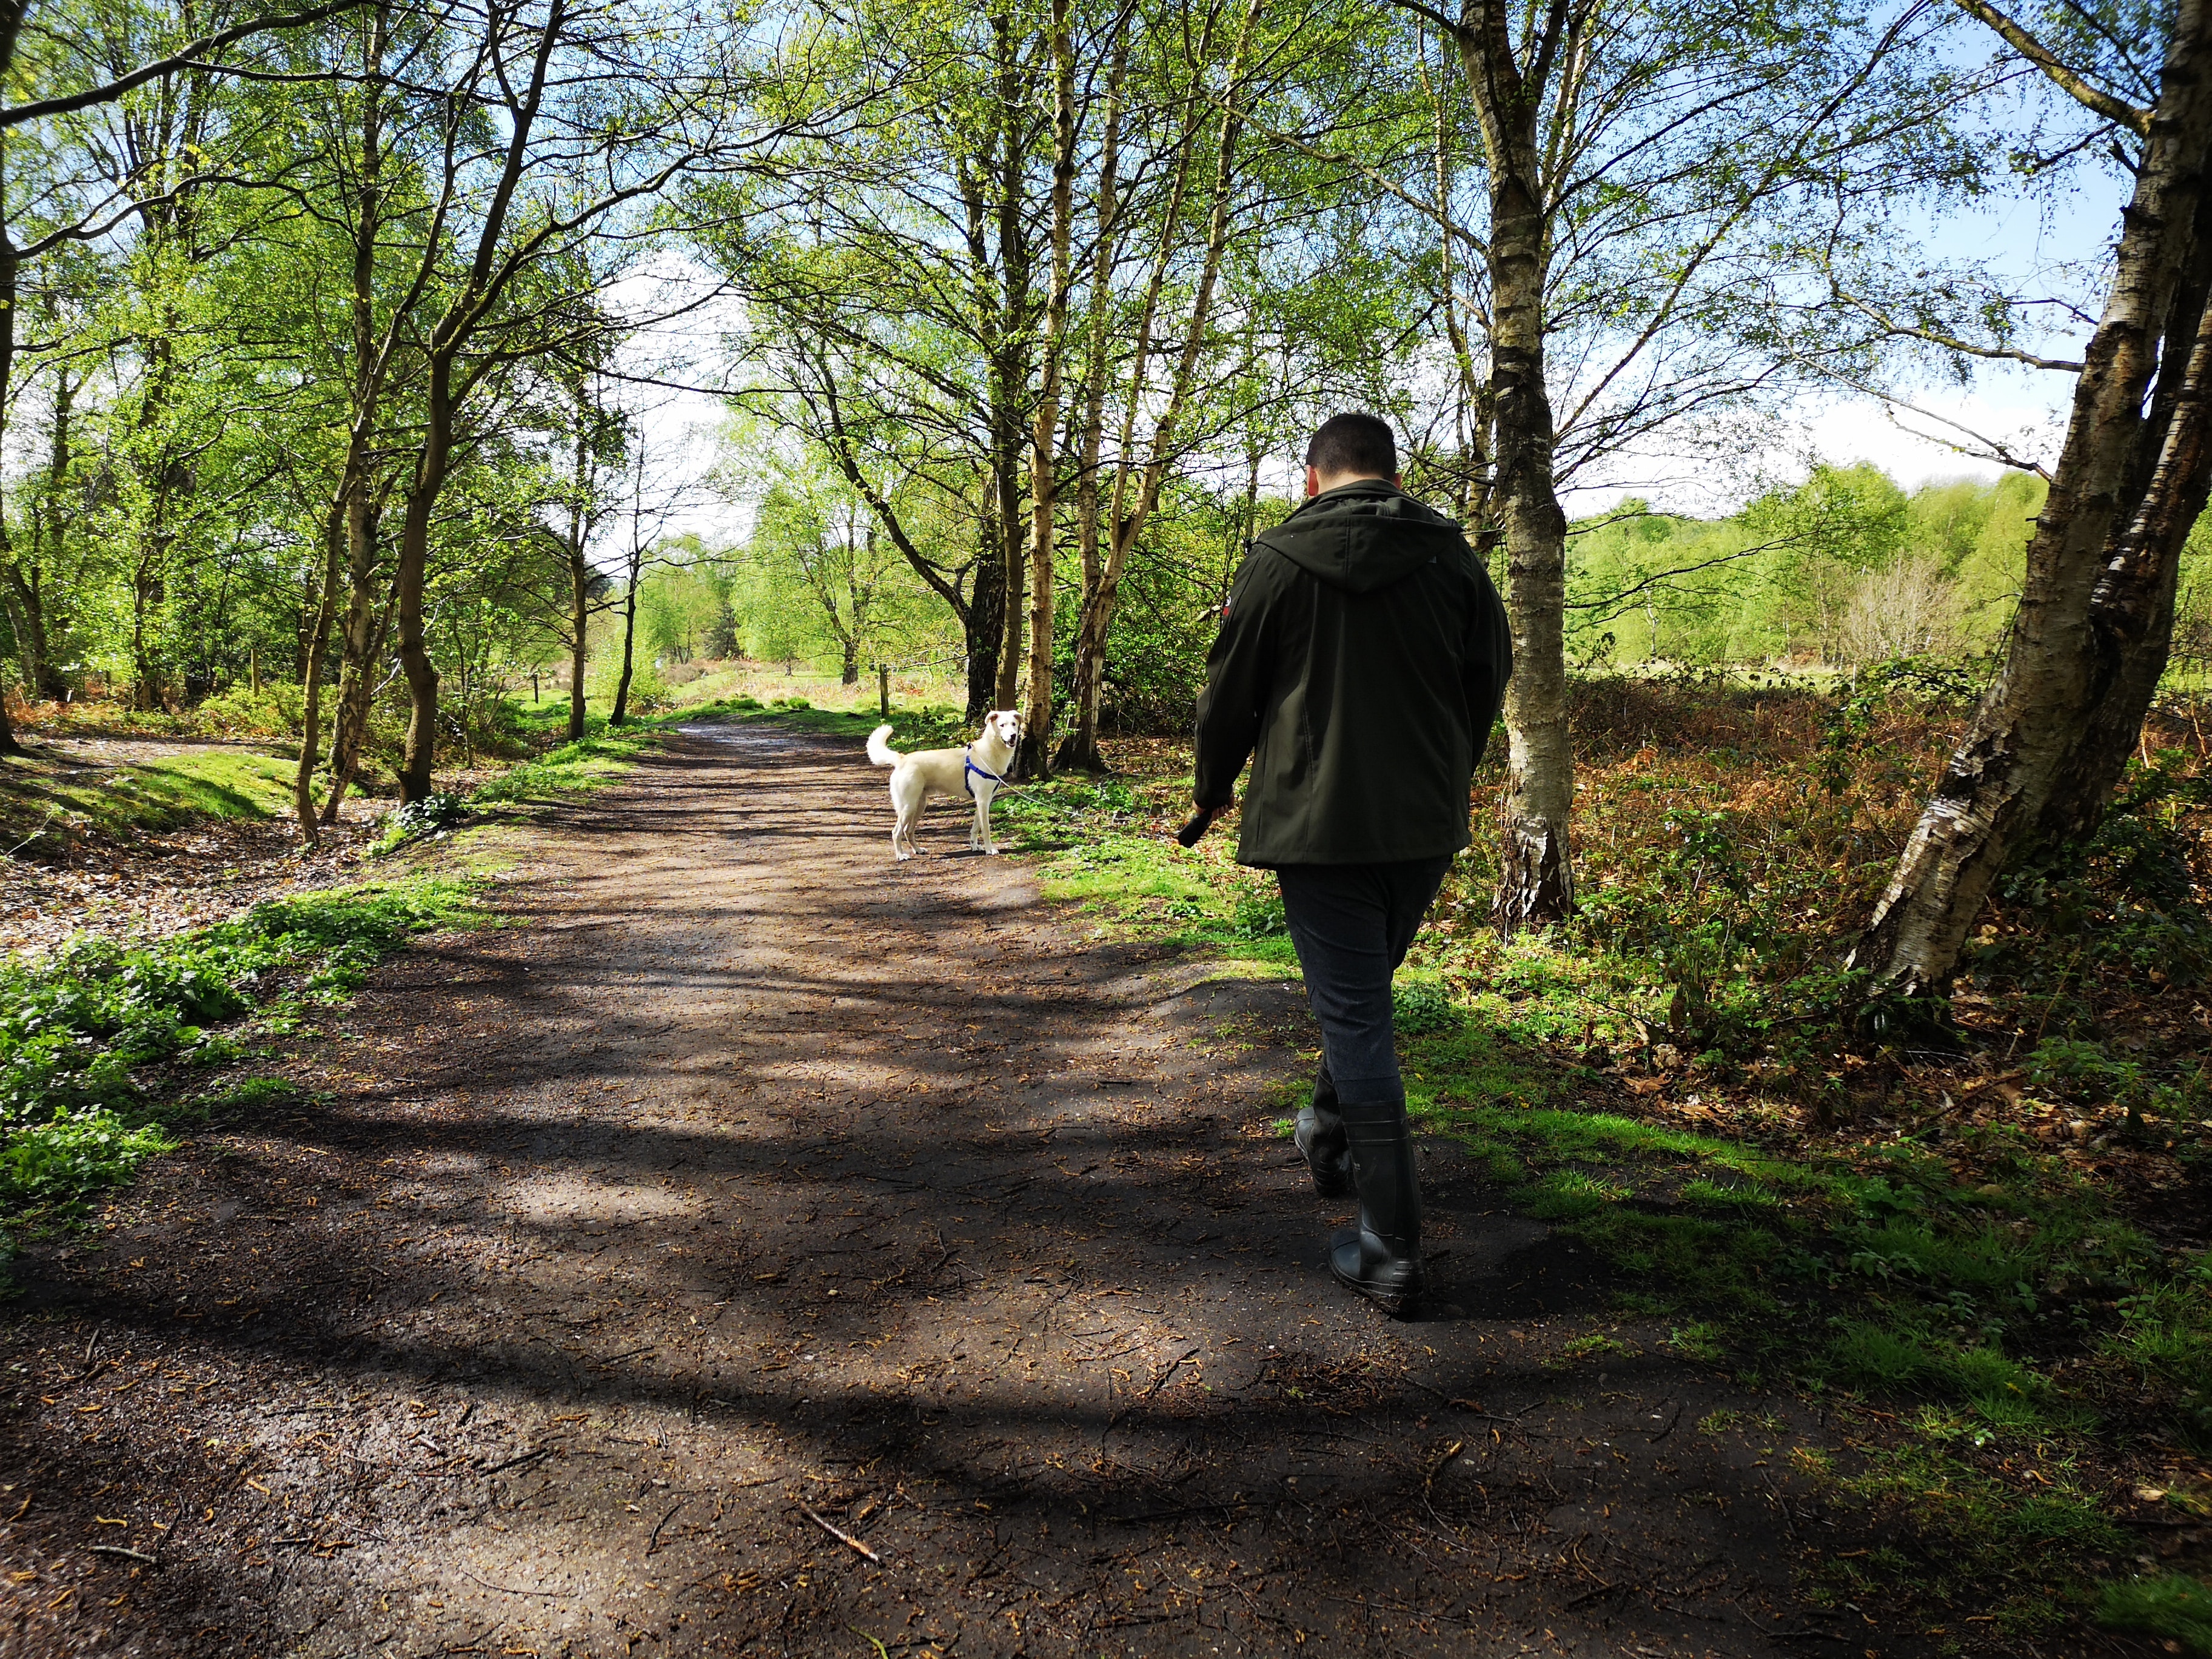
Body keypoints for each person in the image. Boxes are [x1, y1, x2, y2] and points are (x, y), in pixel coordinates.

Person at [1187, 413, 1511, 1316]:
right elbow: (1490, 676)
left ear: (1310, 477)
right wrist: (1445, 774)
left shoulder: (1280, 560)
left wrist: (1212, 789)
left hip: (1317, 829)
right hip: (1420, 826)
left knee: (1360, 1018)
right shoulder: (1453, 558)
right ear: (1393, 477)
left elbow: (1230, 694)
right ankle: (1327, 1132)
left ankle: (1392, 1249)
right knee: (1359, 997)